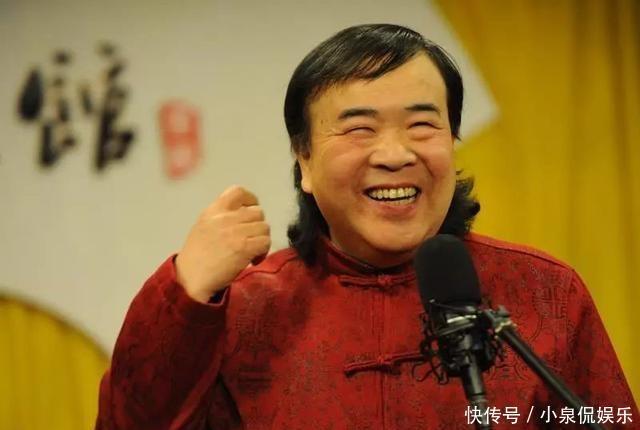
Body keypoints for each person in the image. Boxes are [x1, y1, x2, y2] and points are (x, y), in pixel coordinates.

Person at [96, 24, 638, 429]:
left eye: (423, 125)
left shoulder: (544, 291)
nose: (395, 153)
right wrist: (184, 294)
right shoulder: (243, 308)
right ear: (304, 161)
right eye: (359, 129)